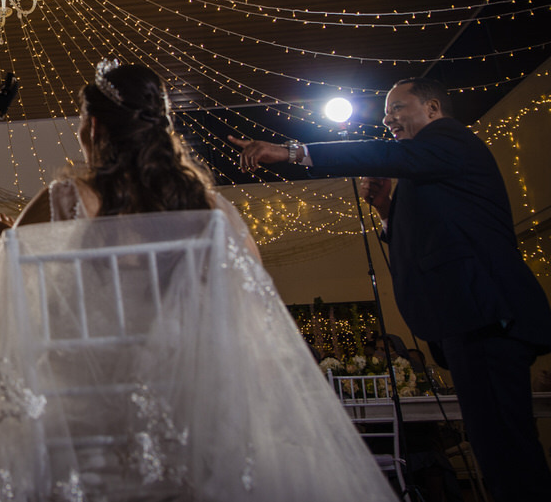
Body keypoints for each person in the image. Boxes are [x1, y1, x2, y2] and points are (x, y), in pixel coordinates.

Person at [0, 61, 394, 501]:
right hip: (199, 417)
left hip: (88, 420)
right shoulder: (211, 211)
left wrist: (15, 254)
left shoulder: (68, 199)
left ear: (93, 128)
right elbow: (255, 300)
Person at [229, 76, 551, 501]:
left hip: (486, 313)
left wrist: (292, 152)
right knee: (493, 446)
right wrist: (384, 212)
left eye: (398, 108)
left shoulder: (451, 139)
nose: (388, 118)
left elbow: (383, 153)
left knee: (507, 447)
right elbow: (430, 234)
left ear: (433, 109)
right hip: (466, 318)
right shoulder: (430, 165)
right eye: (386, 112)